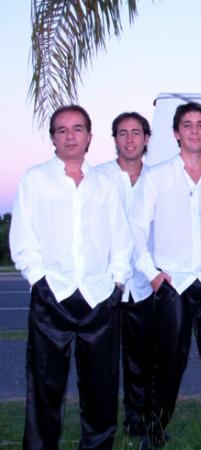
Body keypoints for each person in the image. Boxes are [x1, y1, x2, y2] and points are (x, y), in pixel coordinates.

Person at [10, 105, 133, 449]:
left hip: (99, 297)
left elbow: (121, 240)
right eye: (61, 130)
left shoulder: (105, 184)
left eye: (78, 129)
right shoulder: (35, 179)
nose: (70, 136)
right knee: (45, 387)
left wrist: (117, 285)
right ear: (53, 138)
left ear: (89, 137)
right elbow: (23, 237)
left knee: (101, 387)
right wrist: (40, 282)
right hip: (52, 295)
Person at [129, 102, 201, 448]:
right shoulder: (157, 177)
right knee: (166, 363)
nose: (194, 130)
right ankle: (154, 431)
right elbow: (136, 229)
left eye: (200, 124)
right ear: (176, 133)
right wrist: (151, 273)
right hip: (172, 284)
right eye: (187, 124)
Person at [97, 112, 153, 436]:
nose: (129, 139)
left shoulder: (157, 178)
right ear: (115, 139)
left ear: (147, 138)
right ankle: (101, 427)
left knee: (140, 362)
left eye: (136, 132)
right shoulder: (98, 177)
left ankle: (137, 423)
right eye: (122, 133)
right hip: (104, 285)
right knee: (102, 363)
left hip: (143, 286)